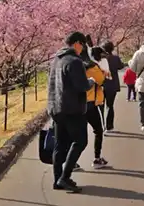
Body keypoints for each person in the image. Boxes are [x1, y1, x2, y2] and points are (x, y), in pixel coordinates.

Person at [47, 31, 95, 193]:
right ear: (77, 43)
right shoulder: (74, 61)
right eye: (83, 45)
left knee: (60, 145)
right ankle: (65, 177)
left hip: (56, 108)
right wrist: (91, 81)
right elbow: (82, 85)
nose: (83, 49)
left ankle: (57, 180)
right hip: (72, 109)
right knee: (81, 141)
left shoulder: (57, 59)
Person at [81, 45, 110, 169]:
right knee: (98, 130)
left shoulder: (73, 66)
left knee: (77, 135)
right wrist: (101, 72)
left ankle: (71, 162)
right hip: (89, 103)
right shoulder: (92, 67)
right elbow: (101, 80)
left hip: (74, 104)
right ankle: (97, 159)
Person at [100, 41, 125, 132]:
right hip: (112, 85)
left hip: (101, 85)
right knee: (110, 106)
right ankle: (109, 126)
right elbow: (121, 66)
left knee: (100, 106)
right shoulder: (115, 58)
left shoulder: (99, 59)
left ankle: (101, 125)